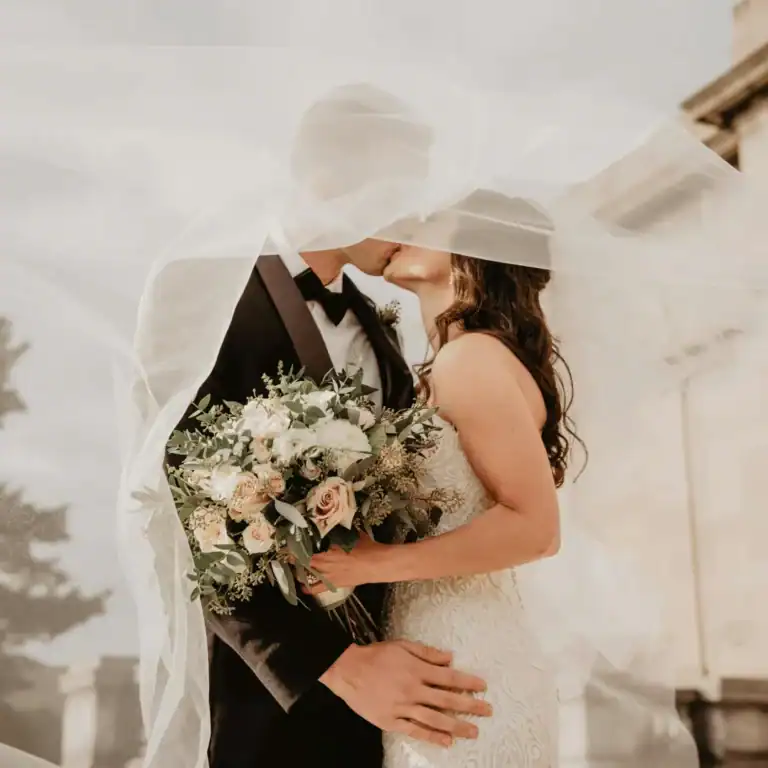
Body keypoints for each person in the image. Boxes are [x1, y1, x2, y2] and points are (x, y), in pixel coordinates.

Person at [174, 239, 491, 768]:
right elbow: (177, 513)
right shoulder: (204, 294)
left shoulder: (380, 330)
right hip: (268, 705)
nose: (411, 224)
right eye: (402, 193)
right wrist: (338, 667)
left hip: (401, 706)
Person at [309, 246, 571, 766]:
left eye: (430, 215)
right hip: (439, 657)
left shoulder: (471, 358)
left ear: (476, 245)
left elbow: (536, 528)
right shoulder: (458, 359)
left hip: (464, 666)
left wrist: (369, 564)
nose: (404, 224)